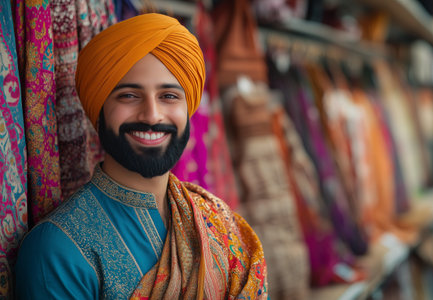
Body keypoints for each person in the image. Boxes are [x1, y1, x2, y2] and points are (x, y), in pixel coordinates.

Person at [15, 13, 268, 299]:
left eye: (169, 96)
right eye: (129, 96)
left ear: (189, 109)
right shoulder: (57, 250)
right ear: (98, 111)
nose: (151, 115)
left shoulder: (219, 224)